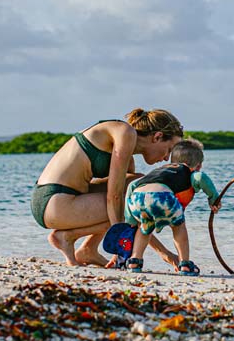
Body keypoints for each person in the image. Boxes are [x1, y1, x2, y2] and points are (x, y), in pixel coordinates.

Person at [32, 109, 183, 266]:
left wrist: (164, 253)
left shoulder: (127, 154)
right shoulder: (125, 133)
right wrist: (124, 250)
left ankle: (88, 250)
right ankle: (67, 237)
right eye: (169, 149)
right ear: (157, 137)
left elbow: (134, 215)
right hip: (53, 201)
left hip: (56, 200)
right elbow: (116, 198)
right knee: (131, 198)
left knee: (137, 187)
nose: (167, 157)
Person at [123, 138, 219, 275]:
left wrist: (130, 219)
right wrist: (213, 198)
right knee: (178, 227)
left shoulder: (161, 170)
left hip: (138, 197)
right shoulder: (189, 172)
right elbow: (200, 178)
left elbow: (132, 185)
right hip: (162, 197)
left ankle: (134, 261)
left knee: (145, 227)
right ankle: (184, 264)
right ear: (198, 165)